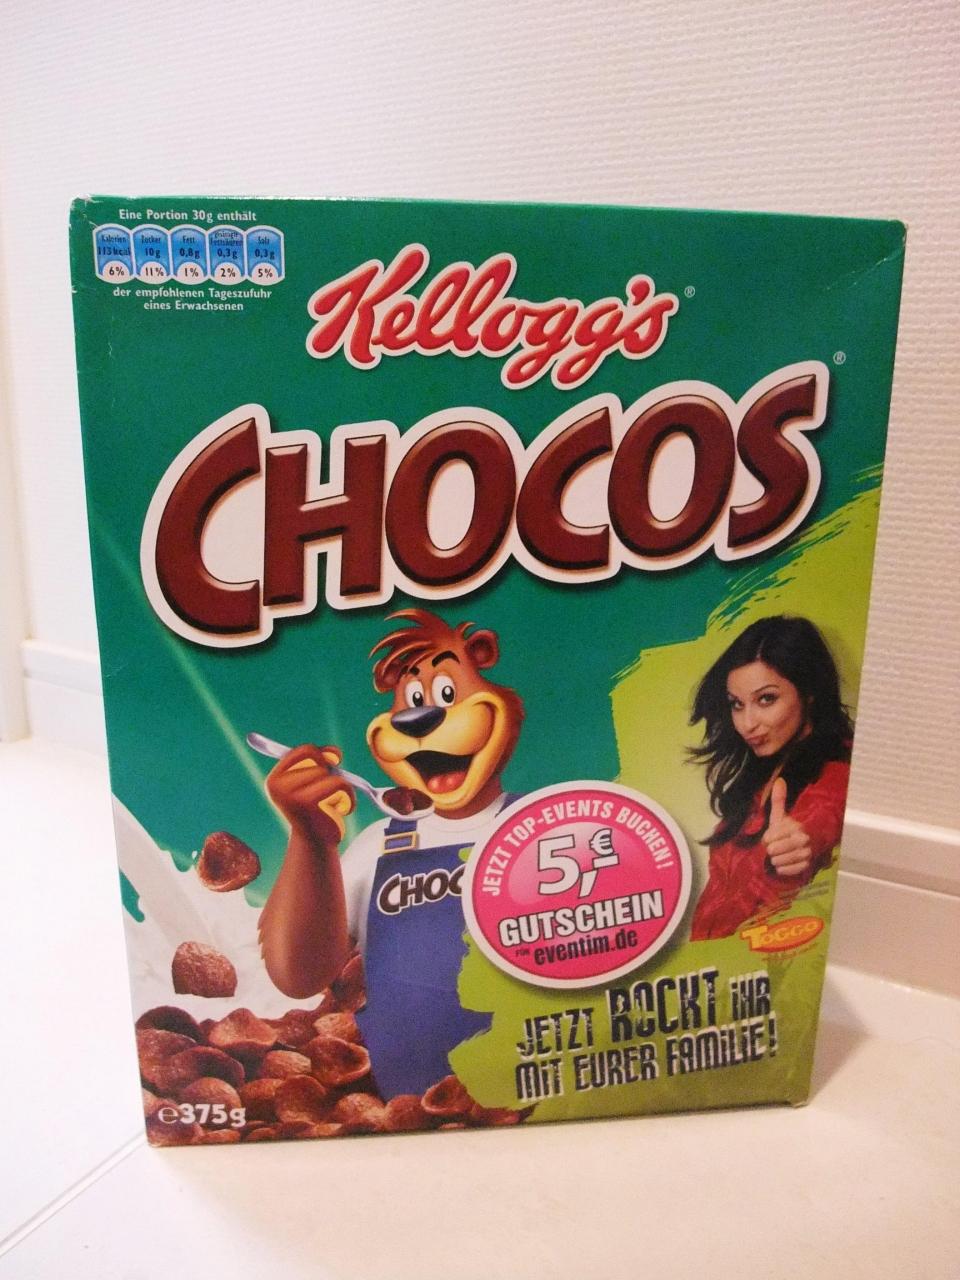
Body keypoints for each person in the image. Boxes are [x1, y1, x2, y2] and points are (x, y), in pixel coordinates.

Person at [688, 615, 853, 941]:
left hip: (772, 958)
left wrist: (800, 841)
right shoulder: (762, 774)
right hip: (716, 961)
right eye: (737, 704)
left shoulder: (838, 774)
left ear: (808, 693)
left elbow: (823, 816)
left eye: (766, 699)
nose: (747, 723)